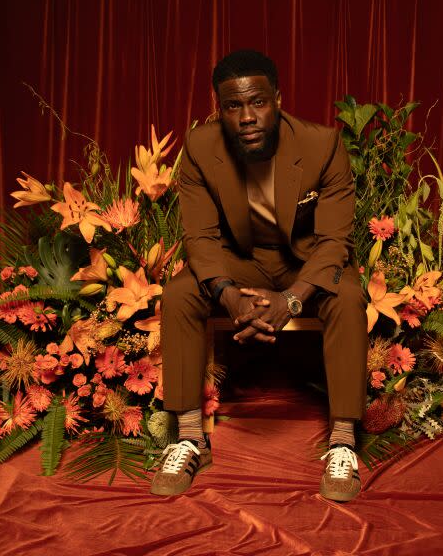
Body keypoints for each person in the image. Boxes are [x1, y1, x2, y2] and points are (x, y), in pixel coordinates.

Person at [150, 50, 368, 502]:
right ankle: (190, 437)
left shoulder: (322, 145)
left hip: (302, 261)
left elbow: (333, 242)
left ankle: (343, 441)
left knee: (347, 295)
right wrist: (227, 295)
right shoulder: (200, 148)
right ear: (219, 109)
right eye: (233, 106)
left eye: (258, 103)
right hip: (237, 259)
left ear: (278, 100)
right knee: (178, 293)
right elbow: (201, 238)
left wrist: (291, 298)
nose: (247, 117)